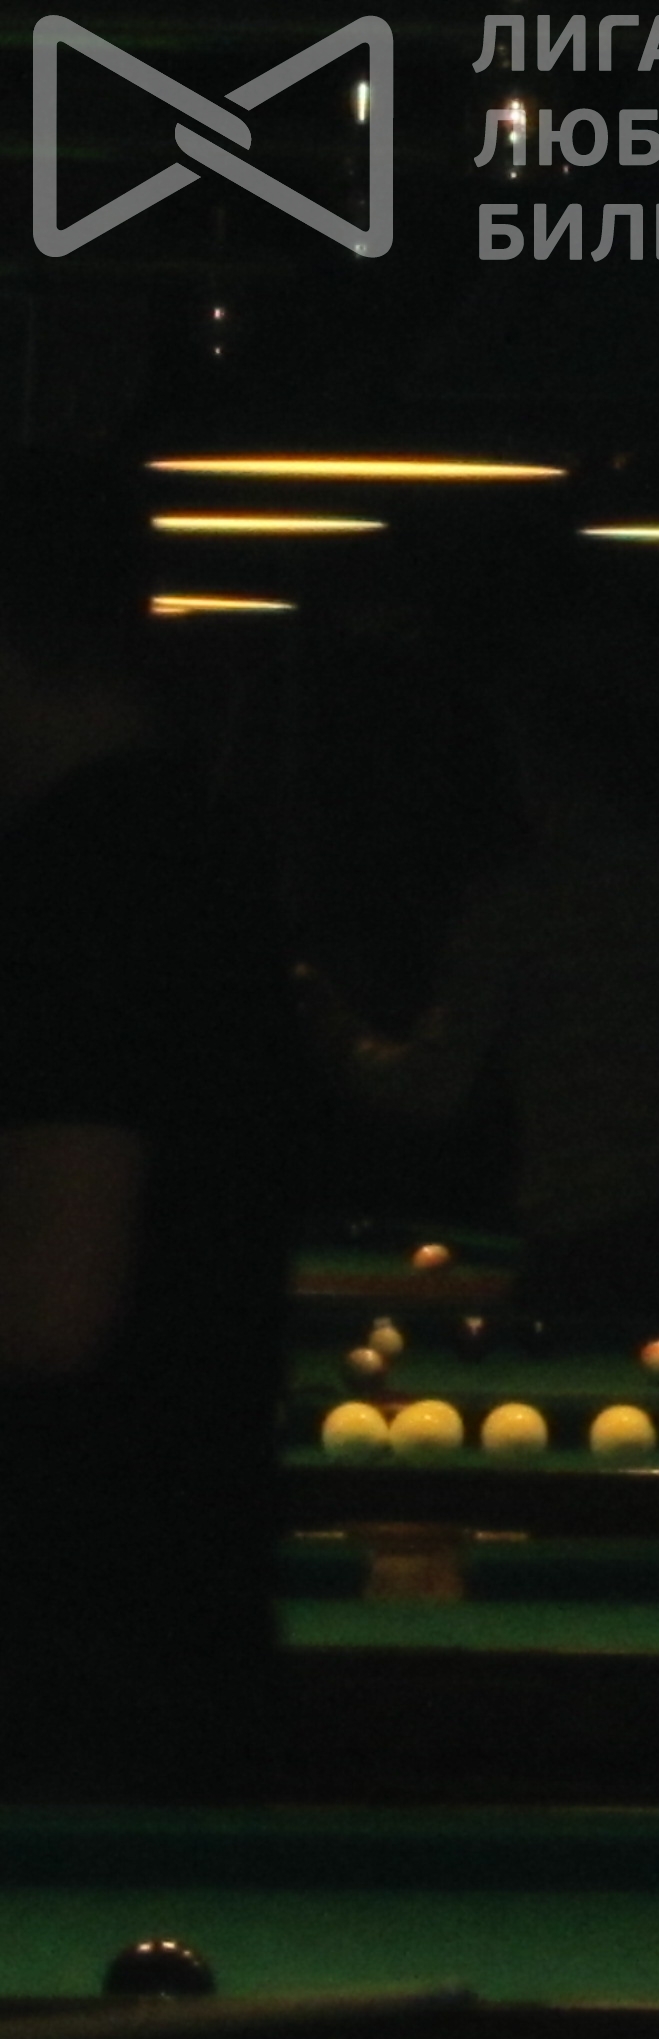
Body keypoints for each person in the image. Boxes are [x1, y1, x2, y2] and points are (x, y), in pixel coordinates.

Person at [0, 453, 295, 1799]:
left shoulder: (81, 882)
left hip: (70, 1655)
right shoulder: (196, 849)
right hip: (175, 1618)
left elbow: (48, 1310)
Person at [323, 677, 659, 1323]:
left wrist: (334, 1030)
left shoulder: (517, 908)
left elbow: (430, 1086)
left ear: (545, 771)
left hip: (576, 1249)